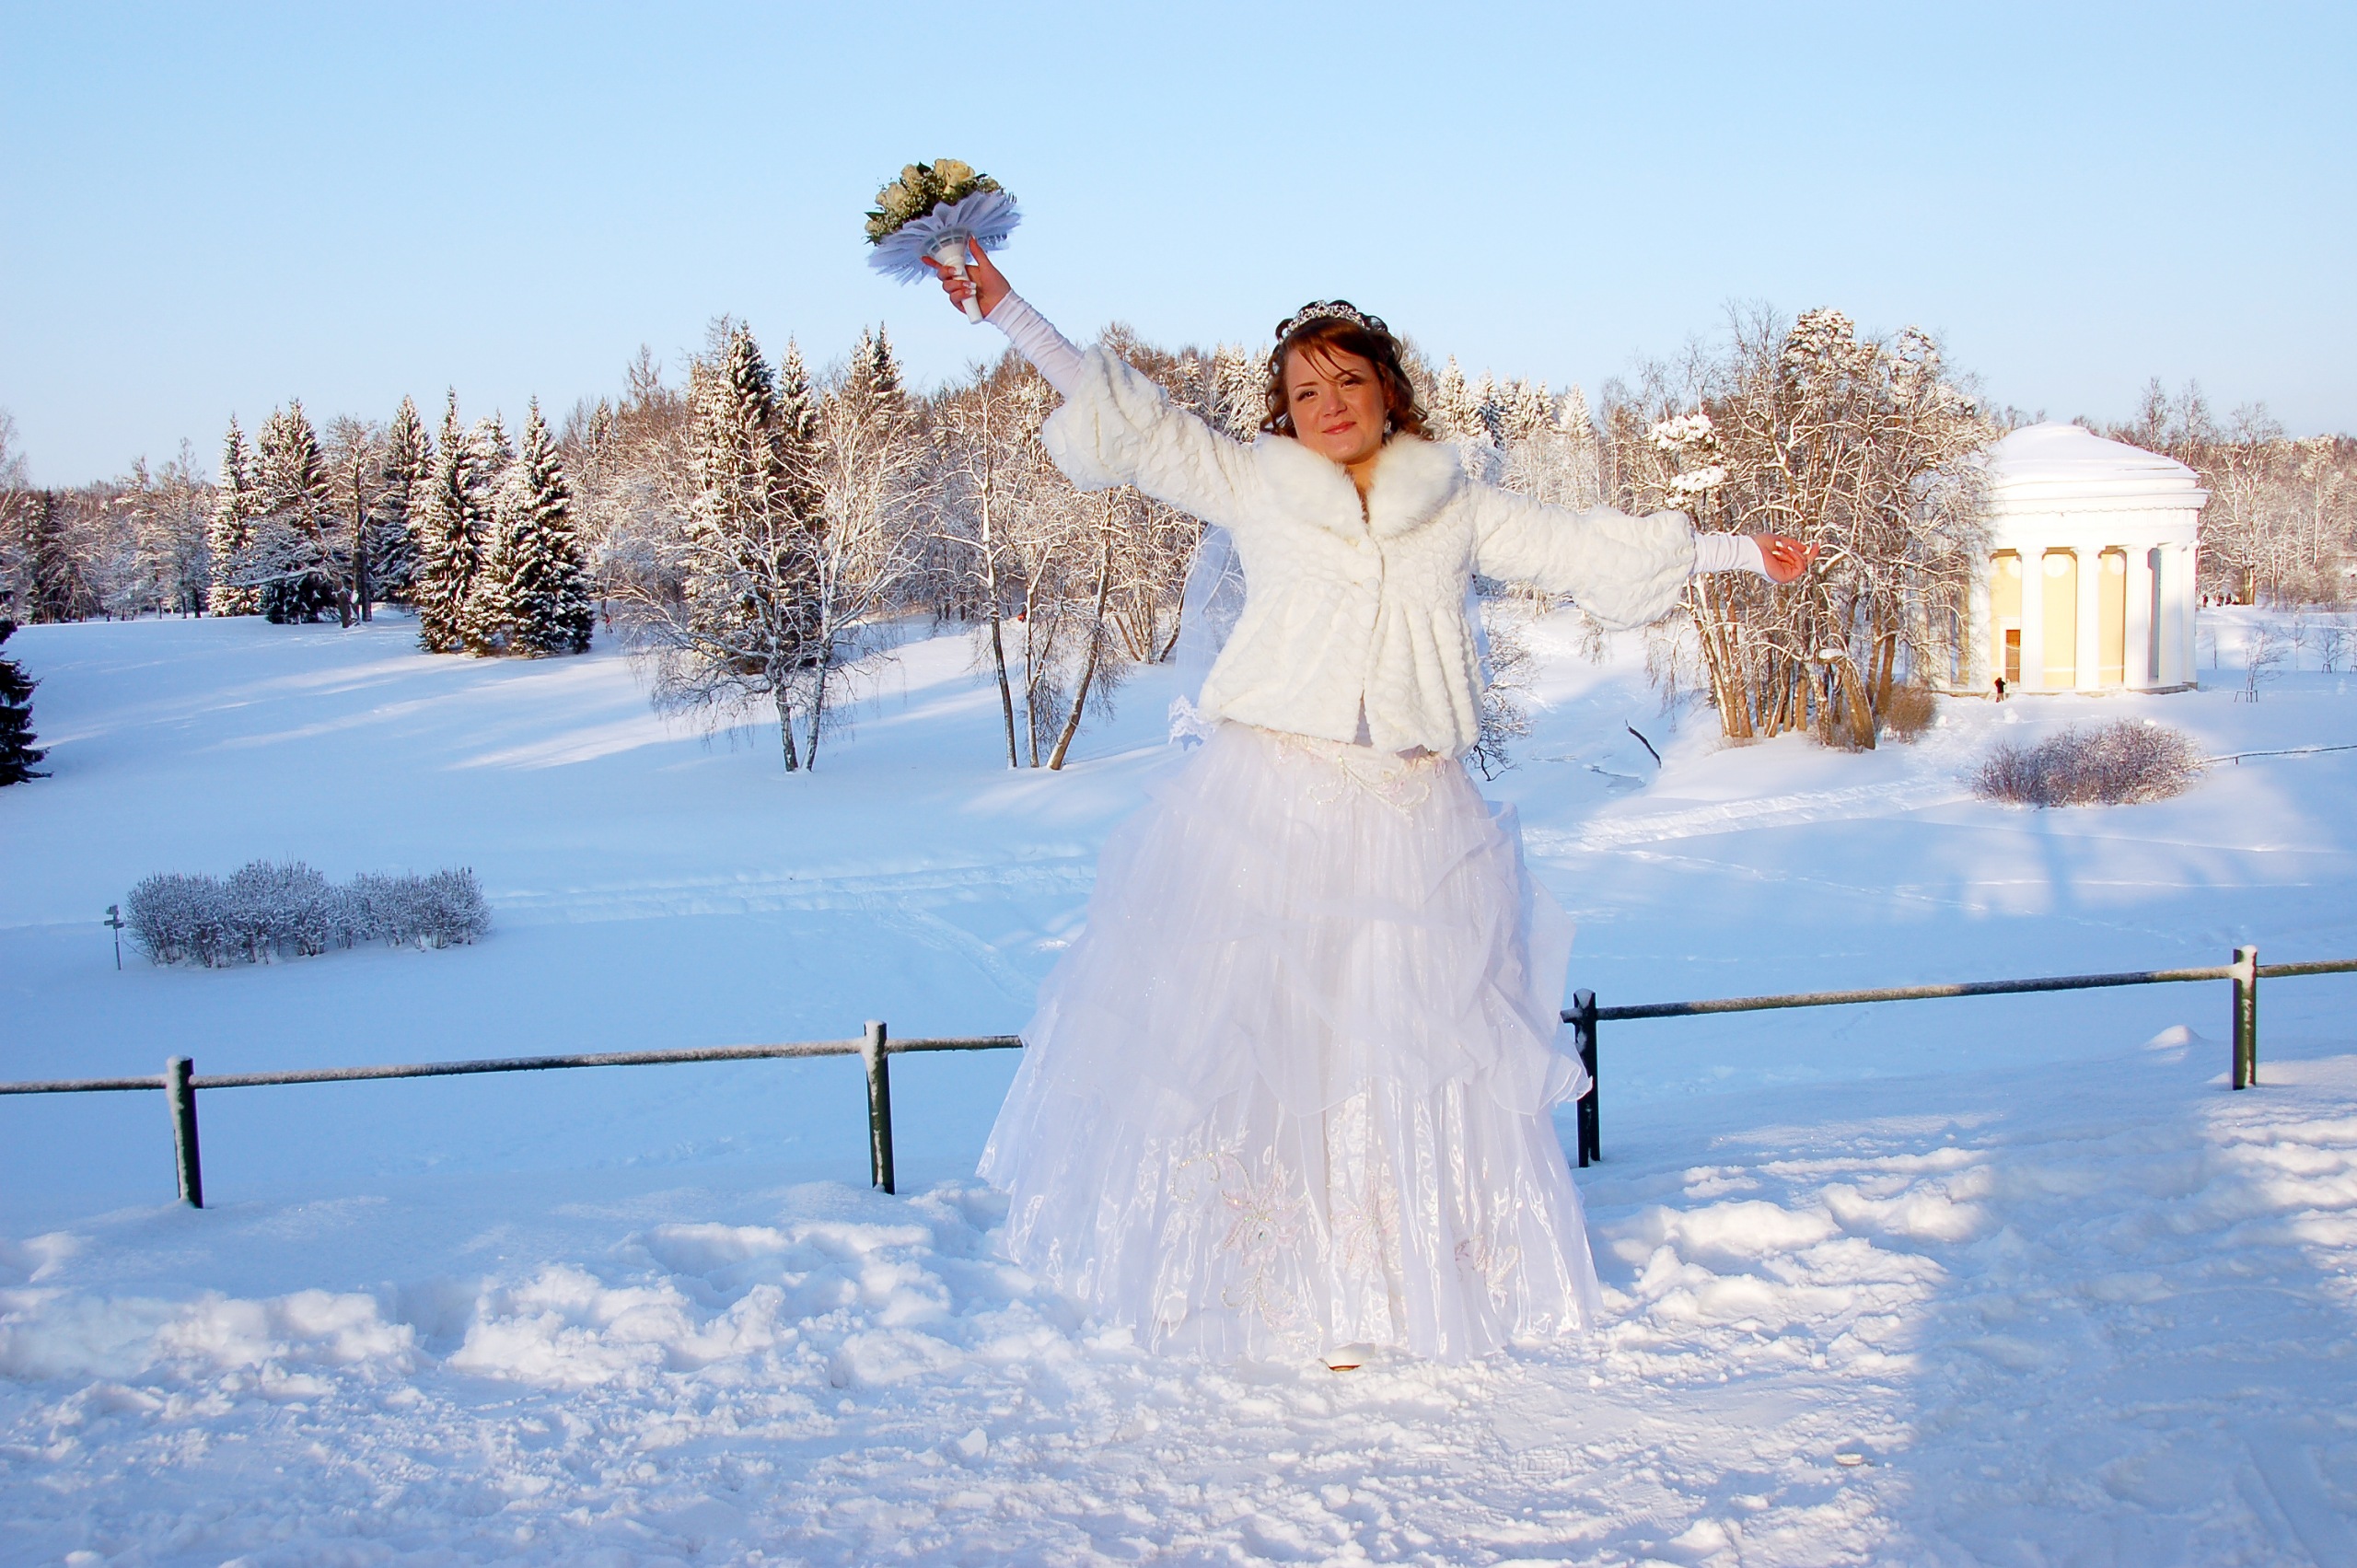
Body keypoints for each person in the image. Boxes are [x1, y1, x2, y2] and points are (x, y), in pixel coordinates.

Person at [924, 245, 1813, 1367]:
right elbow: (1138, 425)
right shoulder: (1253, 483)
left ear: (1389, 389)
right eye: (1305, 389)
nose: (1329, 403)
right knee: (1274, 1054)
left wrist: (1736, 551)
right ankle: (1276, 1294)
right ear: (1283, 412)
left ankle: (1387, 1288)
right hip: (1273, 806)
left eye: (1348, 379)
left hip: (1412, 818)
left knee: (1390, 1059)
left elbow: (1578, 545)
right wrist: (1006, 307)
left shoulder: (1451, 502)